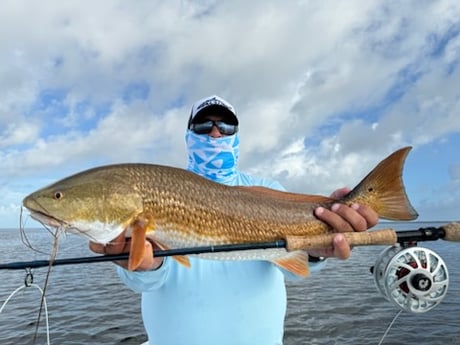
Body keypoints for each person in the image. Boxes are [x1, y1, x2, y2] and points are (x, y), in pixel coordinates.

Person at [90, 95, 378, 345]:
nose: (215, 133)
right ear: (189, 136)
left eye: (225, 126)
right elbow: (145, 282)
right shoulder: (159, 188)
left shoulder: (269, 189)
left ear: (236, 136)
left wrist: (316, 251)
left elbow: (296, 268)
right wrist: (144, 267)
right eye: (204, 126)